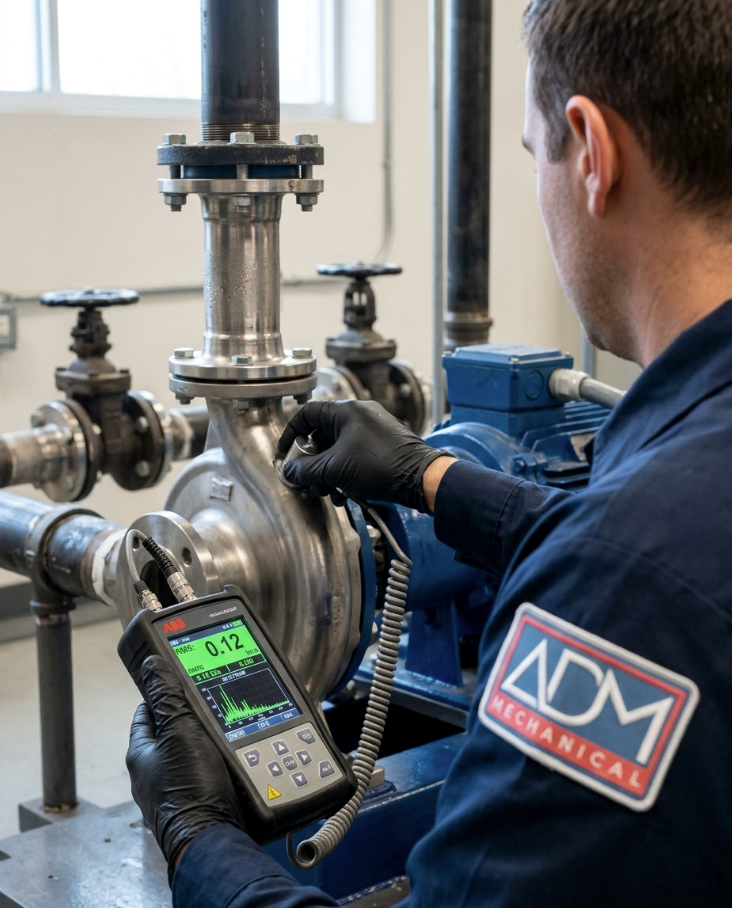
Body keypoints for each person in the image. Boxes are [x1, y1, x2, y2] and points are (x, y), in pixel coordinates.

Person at [126, 0, 732, 904]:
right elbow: (664, 546)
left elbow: (632, 568)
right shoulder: (667, 520)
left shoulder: (623, 594)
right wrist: (430, 477)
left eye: (536, 158)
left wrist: (197, 838)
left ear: (592, 153)